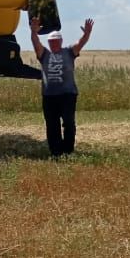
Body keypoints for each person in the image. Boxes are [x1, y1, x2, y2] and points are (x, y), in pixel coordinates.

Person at [29, 15, 93, 157]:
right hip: (49, 96)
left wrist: (87, 34)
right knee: (52, 125)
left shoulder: (69, 52)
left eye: (56, 41)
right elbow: (36, 44)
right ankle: (56, 152)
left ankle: (68, 151)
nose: (53, 43)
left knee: (69, 123)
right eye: (51, 41)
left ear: (61, 41)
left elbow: (80, 43)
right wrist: (34, 31)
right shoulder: (44, 54)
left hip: (68, 94)